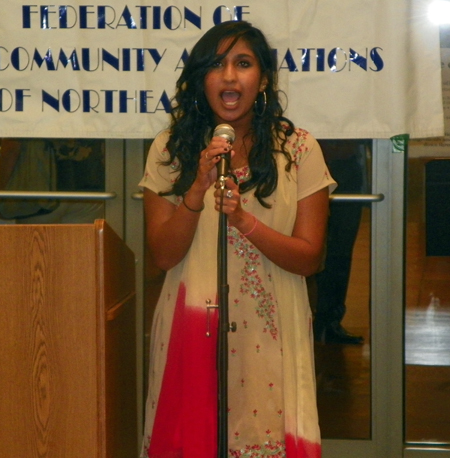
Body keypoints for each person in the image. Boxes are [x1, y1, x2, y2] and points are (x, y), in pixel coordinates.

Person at [139, 20, 336, 458]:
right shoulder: (169, 149)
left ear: (262, 79)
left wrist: (244, 221)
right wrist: (195, 191)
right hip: (194, 325)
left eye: (243, 64)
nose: (229, 76)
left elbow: (310, 258)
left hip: (273, 333)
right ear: (201, 81)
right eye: (217, 65)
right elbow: (162, 255)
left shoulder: (299, 149)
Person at [312, 139, 368, 345]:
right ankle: (314, 321)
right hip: (309, 160)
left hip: (347, 164)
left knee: (340, 251)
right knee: (309, 245)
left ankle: (330, 321)